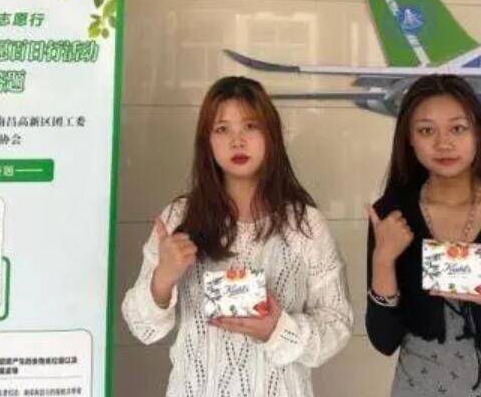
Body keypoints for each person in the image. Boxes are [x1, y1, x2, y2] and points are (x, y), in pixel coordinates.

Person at [122, 76, 353, 397]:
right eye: (222, 129)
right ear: (207, 141)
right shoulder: (179, 218)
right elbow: (142, 328)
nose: (237, 141)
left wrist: (278, 330)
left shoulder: (305, 224)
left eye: (250, 126)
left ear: (271, 135)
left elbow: (337, 324)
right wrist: (162, 278)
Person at [367, 74, 481, 396]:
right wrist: (383, 259)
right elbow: (384, 340)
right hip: (422, 386)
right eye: (426, 130)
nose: (443, 143)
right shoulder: (392, 213)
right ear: (409, 139)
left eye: (458, 128)